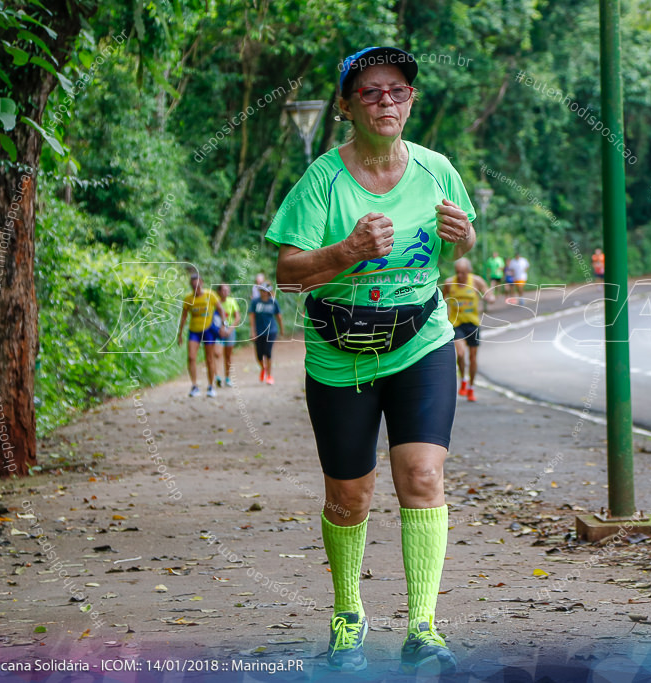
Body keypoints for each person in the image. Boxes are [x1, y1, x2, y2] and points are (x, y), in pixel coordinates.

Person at [266, 46, 476, 675]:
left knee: (422, 478)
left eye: (399, 91)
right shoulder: (322, 182)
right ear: (346, 107)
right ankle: (348, 612)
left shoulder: (438, 169)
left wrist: (464, 235)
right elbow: (286, 273)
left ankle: (423, 626)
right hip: (342, 356)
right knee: (349, 499)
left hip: (421, 342)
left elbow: (461, 234)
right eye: (372, 92)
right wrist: (348, 251)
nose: (387, 101)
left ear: (410, 102)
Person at [442, 258, 492, 402]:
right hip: (456, 323)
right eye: (458, 272)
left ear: (469, 271)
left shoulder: (476, 281)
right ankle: (463, 379)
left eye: (463, 273)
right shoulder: (450, 283)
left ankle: (471, 388)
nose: (460, 276)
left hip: (473, 323)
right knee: (461, 353)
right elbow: (442, 298)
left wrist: (490, 297)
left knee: (472, 357)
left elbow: (487, 292)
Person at [176, 272, 226, 398]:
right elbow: (184, 316)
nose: (196, 288)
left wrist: (223, 325)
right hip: (194, 331)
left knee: (209, 358)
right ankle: (194, 386)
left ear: (202, 283)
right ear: (191, 286)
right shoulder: (188, 299)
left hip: (208, 330)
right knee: (191, 357)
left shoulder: (211, 295)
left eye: (197, 285)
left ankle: (210, 385)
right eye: (193, 286)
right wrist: (180, 333)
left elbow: (220, 309)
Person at [248, 284, 283, 385]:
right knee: (259, 355)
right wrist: (253, 331)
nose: (263, 293)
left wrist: (281, 329)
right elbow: (252, 317)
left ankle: (269, 376)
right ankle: (263, 368)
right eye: (261, 291)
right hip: (259, 331)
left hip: (271, 331)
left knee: (268, 353)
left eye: (265, 291)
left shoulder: (273, 302)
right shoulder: (255, 302)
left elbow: (278, 316)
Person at [215, 284, 242, 387]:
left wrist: (230, 329)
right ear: (219, 291)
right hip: (217, 330)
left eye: (227, 290)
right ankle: (217, 376)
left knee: (228, 355)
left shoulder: (232, 301)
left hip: (229, 330)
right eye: (223, 290)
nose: (225, 292)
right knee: (217, 353)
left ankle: (227, 378)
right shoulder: (215, 301)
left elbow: (237, 317)